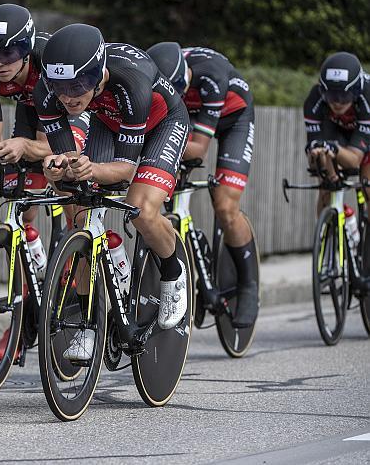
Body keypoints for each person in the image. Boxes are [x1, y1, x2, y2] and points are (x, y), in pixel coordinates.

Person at [34, 24, 191, 361]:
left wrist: (91, 169)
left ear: (97, 75)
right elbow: (70, 162)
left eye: (76, 85)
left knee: (141, 208)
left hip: (162, 123)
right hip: (110, 124)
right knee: (81, 211)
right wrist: (57, 167)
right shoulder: (46, 95)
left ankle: (174, 272)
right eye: (58, 87)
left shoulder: (131, 80)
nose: (67, 97)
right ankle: (90, 317)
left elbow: (126, 169)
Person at [0, 4, 89, 360]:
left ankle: (76, 281)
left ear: (28, 47)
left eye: (9, 52)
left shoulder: (51, 65)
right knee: (16, 204)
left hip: (71, 110)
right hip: (30, 109)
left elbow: (53, 145)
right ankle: (25, 314)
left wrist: (25, 145)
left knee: (70, 193)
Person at [146, 42, 258, 328]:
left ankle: (248, 286)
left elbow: (197, 149)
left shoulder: (211, 76)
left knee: (225, 205)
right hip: (189, 116)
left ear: (186, 78)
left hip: (233, 119)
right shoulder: (152, 75)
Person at [302, 52, 370, 212]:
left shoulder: (367, 97)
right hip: (336, 131)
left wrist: (333, 148)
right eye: (331, 95)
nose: (337, 102)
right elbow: (313, 159)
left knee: (368, 189)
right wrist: (328, 172)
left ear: (356, 91)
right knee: (326, 187)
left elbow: (354, 161)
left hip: (365, 135)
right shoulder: (314, 101)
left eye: (344, 96)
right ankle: (329, 228)